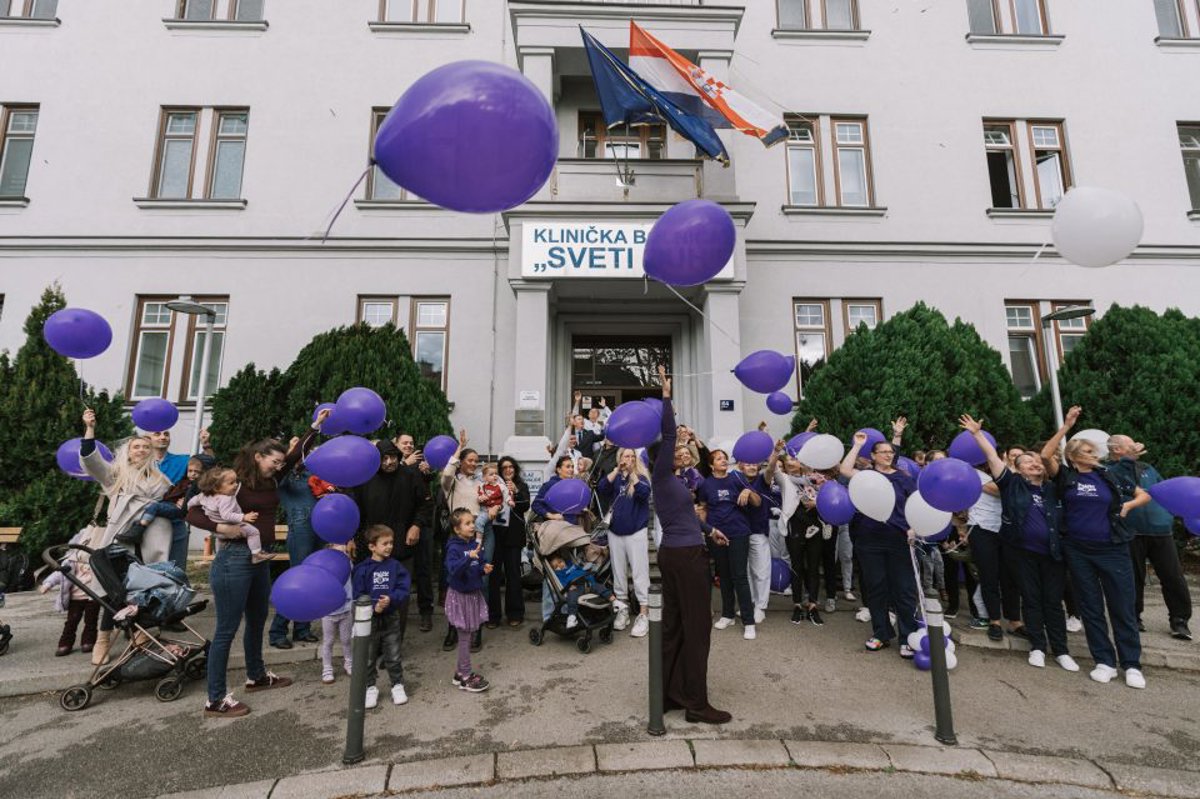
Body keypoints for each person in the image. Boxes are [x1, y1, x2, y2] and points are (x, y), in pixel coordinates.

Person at [187, 415, 322, 717]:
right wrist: (220, 529)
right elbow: (192, 511)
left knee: (258, 619)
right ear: (258, 457)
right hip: (234, 559)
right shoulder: (232, 481)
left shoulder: (272, 478)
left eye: (279, 462)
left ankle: (256, 676)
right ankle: (215, 699)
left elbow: (294, 455)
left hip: (260, 557)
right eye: (272, 460)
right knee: (226, 630)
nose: (278, 465)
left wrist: (315, 427)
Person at [1042, 406, 1152, 688]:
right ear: (1075, 456)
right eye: (1090, 452)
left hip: (1113, 548)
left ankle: (1131, 664)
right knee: (1091, 607)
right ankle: (1104, 661)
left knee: (1122, 607)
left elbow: (1139, 491)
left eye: (1095, 452)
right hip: (1078, 551)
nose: (1096, 456)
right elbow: (1045, 456)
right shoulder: (1067, 477)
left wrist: (1127, 504)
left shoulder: (1110, 476)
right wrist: (1066, 427)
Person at [961, 415, 1079, 672]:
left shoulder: (1054, 487)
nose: (1033, 464)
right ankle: (1037, 646)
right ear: (1018, 469)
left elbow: (1049, 455)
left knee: (1053, 602)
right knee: (1032, 600)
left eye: (1035, 461)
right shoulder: (1012, 485)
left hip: (1053, 554)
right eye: (1026, 462)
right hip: (1023, 553)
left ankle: (1061, 650)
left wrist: (1066, 426)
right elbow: (992, 458)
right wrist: (977, 435)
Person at [652, 366, 732, 724]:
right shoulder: (662, 475)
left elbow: (687, 520)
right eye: (676, 449)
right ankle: (697, 706)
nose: (681, 450)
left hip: (678, 551)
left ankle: (670, 694)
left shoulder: (670, 484)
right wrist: (666, 395)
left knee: (675, 626)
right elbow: (669, 432)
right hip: (686, 558)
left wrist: (709, 529)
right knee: (698, 628)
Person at [79, 408, 173, 665]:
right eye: (136, 447)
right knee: (114, 591)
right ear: (127, 451)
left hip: (150, 539)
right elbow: (92, 461)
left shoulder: (161, 480)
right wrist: (90, 429)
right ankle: (103, 639)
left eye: (145, 447)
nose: (141, 450)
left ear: (151, 451)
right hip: (120, 539)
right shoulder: (115, 476)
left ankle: (139, 633)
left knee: (144, 587)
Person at [839, 420, 921, 656]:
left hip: (899, 540)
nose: (887, 455)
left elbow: (915, 506)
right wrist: (856, 445)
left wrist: (914, 528)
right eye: (882, 452)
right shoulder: (866, 475)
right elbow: (845, 470)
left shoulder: (904, 478)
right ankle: (881, 633)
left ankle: (908, 637)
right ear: (873, 456)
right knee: (876, 588)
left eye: (890, 452)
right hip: (868, 540)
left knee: (904, 590)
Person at [1107, 435, 1192, 641]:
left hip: (1161, 531)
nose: (1137, 445)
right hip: (1130, 532)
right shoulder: (1107, 471)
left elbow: (1165, 491)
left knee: (1173, 577)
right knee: (1133, 579)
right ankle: (1133, 618)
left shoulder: (1148, 468)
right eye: (1130, 443)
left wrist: (1172, 513)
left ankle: (1179, 620)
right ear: (1117, 449)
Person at [352, 439, 432, 643]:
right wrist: (349, 538)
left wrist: (416, 525)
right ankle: (372, 645)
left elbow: (425, 506)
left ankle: (394, 646)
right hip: (370, 550)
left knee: (399, 597)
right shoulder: (363, 479)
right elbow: (352, 512)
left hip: (401, 548)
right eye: (384, 458)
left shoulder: (410, 475)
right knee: (371, 596)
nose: (389, 462)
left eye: (393, 457)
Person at [697, 450, 759, 640]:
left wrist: (749, 490)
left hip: (738, 532)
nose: (723, 460)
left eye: (725, 458)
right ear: (711, 465)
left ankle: (749, 622)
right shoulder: (705, 484)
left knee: (739, 576)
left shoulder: (737, 478)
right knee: (723, 576)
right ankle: (728, 615)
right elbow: (703, 509)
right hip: (717, 535)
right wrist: (706, 533)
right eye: (718, 458)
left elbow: (756, 503)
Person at [965, 453, 1025, 642]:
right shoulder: (975, 474)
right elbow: (999, 490)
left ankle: (1015, 621)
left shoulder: (1013, 474)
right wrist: (1012, 474)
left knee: (1010, 577)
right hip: (982, 529)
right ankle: (994, 621)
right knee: (988, 575)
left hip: (1007, 529)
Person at [352, 525, 411, 707]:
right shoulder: (362, 569)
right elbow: (358, 595)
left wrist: (391, 599)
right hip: (368, 621)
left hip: (391, 617)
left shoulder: (396, 566)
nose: (389, 546)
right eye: (384, 543)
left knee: (393, 655)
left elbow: (404, 588)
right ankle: (370, 687)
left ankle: (397, 685)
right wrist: (373, 607)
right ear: (372, 547)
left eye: (391, 543)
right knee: (368, 657)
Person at [596, 447, 652, 637]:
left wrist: (632, 474)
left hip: (636, 531)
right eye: (625, 456)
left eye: (632, 456)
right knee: (619, 573)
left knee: (639, 572)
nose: (628, 459)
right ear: (619, 458)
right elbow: (602, 488)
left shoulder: (641, 477)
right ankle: (623, 609)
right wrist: (616, 471)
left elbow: (643, 494)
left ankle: (644, 613)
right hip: (615, 532)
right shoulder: (616, 477)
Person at [269, 457, 321, 649]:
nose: (302, 457)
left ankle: (302, 629)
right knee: (297, 581)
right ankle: (277, 631)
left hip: (319, 529)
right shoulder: (284, 478)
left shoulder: (313, 475)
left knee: (311, 582)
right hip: (300, 530)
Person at [444, 508, 492, 693]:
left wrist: (483, 568)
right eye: (467, 523)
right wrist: (468, 559)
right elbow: (453, 570)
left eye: (473, 522)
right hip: (460, 597)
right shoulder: (453, 548)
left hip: (473, 594)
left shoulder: (474, 544)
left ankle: (459, 673)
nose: (472, 526)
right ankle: (465, 676)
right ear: (457, 529)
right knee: (464, 636)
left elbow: (479, 563)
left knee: (470, 634)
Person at [395, 432, 436, 631]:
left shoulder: (419, 463)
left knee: (424, 569)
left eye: (411, 443)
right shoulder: (392, 463)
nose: (409, 445)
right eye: (405, 443)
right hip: (399, 524)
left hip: (422, 523)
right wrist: (405, 465)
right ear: (396, 444)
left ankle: (426, 612)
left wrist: (427, 473)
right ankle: (397, 611)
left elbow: (426, 495)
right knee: (400, 570)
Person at [188, 467, 272, 564]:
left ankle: (218, 557)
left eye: (236, 481)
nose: (236, 485)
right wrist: (244, 517)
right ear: (217, 487)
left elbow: (193, 501)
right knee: (253, 532)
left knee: (220, 541)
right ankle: (256, 554)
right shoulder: (226, 499)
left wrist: (188, 506)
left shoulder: (204, 495)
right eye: (231, 483)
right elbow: (226, 516)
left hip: (217, 531)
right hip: (231, 526)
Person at [40, 528, 102, 656]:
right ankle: (65, 644)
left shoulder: (98, 561)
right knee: (71, 621)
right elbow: (58, 574)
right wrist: (47, 584)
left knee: (91, 621)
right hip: (75, 598)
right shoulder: (71, 561)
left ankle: (88, 642)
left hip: (93, 597)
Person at [489, 456, 530, 627]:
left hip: (513, 537)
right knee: (493, 576)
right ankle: (493, 615)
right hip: (495, 535)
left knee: (513, 575)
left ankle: (515, 613)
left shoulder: (522, 485)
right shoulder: (492, 484)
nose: (508, 470)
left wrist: (516, 492)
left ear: (515, 469)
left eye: (511, 467)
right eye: (504, 467)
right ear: (500, 470)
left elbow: (524, 506)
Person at [740, 456, 780, 623]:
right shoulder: (736, 480)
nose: (752, 466)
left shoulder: (762, 480)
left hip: (758, 531)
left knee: (761, 571)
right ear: (741, 465)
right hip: (739, 532)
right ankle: (749, 604)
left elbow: (771, 469)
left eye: (754, 463)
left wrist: (776, 452)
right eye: (748, 463)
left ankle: (760, 607)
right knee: (746, 572)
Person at [548, 553, 615, 628]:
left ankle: (614, 601)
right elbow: (561, 581)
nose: (560, 566)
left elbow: (583, 571)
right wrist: (567, 587)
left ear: (564, 560)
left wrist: (591, 580)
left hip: (587, 583)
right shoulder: (559, 574)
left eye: (560, 562)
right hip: (575, 588)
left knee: (599, 586)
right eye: (556, 566)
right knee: (571, 596)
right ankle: (572, 617)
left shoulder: (572, 565)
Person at [319, 542, 354, 684]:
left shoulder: (348, 564)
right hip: (328, 613)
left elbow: (352, 571)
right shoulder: (325, 569)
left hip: (346, 610)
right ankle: (327, 668)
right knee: (328, 641)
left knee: (346, 640)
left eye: (344, 552)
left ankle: (349, 663)